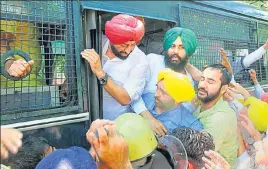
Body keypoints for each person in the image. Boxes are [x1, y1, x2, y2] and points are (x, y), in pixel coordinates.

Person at [134, 27, 201, 136]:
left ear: (188, 51)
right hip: (135, 124)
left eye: (181, 47)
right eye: (172, 46)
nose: (175, 51)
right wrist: (149, 118)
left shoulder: (188, 80)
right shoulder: (152, 61)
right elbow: (132, 94)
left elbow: (179, 112)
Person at [81, 14, 148, 120]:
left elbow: (125, 99)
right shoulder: (96, 41)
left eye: (133, 45)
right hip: (86, 116)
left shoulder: (140, 60)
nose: (128, 50)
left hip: (115, 123)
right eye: (124, 45)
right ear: (111, 39)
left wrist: (100, 72)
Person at [193, 64, 238, 166]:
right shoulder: (200, 103)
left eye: (210, 82)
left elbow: (200, 154)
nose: (202, 85)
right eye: (202, 79)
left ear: (223, 89)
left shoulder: (221, 117)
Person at [143, 68, 203, 134]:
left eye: (163, 92)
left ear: (178, 100)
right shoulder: (145, 98)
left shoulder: (190, 125)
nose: (156, 94)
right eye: (157, 87)